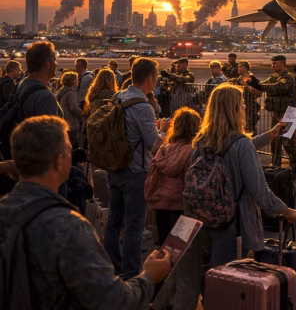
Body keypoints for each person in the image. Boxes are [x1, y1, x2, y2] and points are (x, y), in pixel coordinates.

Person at [0, 115, 170, 309]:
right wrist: (149, 277)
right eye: (68, 151)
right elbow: (112, 301)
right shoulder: (69, 227)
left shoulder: (5, 211)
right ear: (59, 162)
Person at [175, 84, 296, 310]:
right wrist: (286, 210)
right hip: (229, 223)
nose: (244, 108)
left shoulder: (201, 140)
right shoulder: (240, 144)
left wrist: (269, 135)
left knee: (192, 280)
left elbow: (235, 147)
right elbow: (260, 191)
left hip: (197, 219)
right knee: (224, 284)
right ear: (234, 109)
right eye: (242, 104)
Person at [104, 58, 170, 280]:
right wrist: (164, 130)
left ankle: (112, 265)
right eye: (156, 78)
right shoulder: (143, 106)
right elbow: (154, 143)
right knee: (133, 225)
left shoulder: (118, 97)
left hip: (115, 165)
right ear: (150, 78)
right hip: (135, 170)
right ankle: (132, 273)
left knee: (114, 220)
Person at [145, 107, 200, 244]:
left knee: (164, 246)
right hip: (181, 205)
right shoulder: (192, 151)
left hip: (161, 203)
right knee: (180, 249)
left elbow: (153, 175)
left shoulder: (163, 149)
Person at [252, 55, 296, 174]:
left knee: (288, 143)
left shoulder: (288, 78)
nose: (272, 66)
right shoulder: (274, 76)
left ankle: (295, 169)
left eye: (275, 63)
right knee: (275, 140)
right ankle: (275, 165)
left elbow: (277, 88)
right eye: (272, 63)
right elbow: (266, 84)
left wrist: (259, 86)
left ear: (283, 63)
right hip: (277, 113)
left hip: (289, 113)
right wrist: (254, 84)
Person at [56, 71, 83, 148]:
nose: (77, 81)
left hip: (64, 121)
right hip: (72, 123)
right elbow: (74, 108)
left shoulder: (61, 91)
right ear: (72, 81)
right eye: (76, 79)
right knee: (72, 145)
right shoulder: (71, 93)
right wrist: (82, 114)